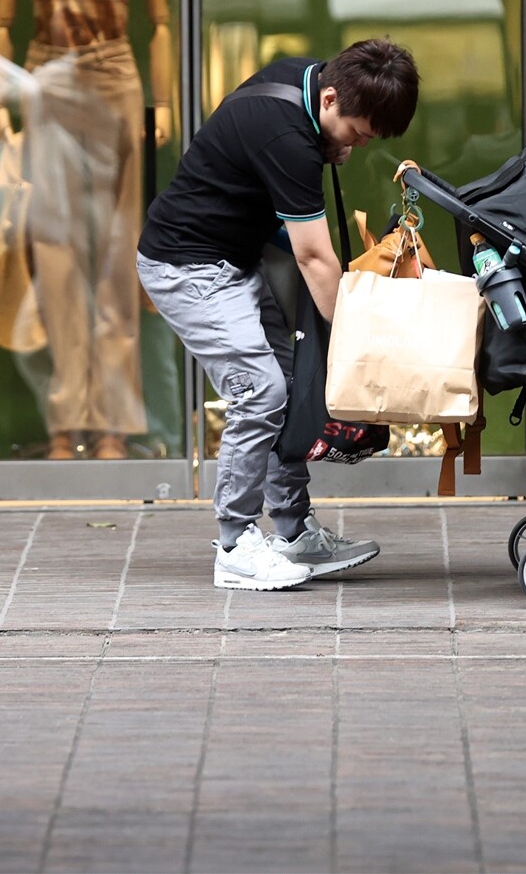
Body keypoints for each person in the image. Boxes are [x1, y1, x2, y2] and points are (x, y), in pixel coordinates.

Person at [137, 40, 420, 590]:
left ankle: (291, 532)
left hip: (236, 259)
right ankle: (234, 546)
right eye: (359, 132)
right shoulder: (287, 135)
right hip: (187, 267)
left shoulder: (308, 85)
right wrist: (354, 344)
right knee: (261, 391)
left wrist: (330, 144)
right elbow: (315, 258)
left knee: (291, 385)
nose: (359, 146)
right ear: (333, 96)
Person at [0, 0, 173, 461]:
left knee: (119, 253)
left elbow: (159, 22)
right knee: (57, 256)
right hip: (47, 81)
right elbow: (4, 24)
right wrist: (1, 98)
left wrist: (164, 100)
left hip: (115, 78)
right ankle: (68, 419)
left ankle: (116, 422)